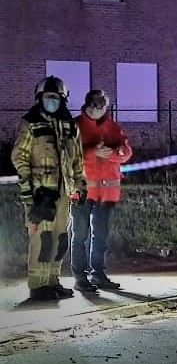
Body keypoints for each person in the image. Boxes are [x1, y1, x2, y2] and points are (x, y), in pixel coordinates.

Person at [11, 76, 87, 301]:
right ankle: (38, 286)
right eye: (47, 97)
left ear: (62, 99)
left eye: (55, 97)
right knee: (42, 240)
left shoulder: (70, 126)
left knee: (60, 239)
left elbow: (78, 161)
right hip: (40, 194)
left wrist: (80, 186)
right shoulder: (30, 123)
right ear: (39, 98)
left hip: (64, 193)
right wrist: (28, 191)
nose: (51, 101)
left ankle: (53, 281)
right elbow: (20, 157)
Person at [69, 89, 132, 291]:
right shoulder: (75, 126)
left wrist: (116, 153)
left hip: (106, 193)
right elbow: (67, 154)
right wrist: (92, 152)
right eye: (94, 106)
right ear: (88, 105)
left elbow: (126, 151)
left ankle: (98, 273)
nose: (98, 110)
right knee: (80, 234)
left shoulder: (112, 127)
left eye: (101, 106)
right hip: (83, 191)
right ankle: (80, 276)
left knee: (101, 235)